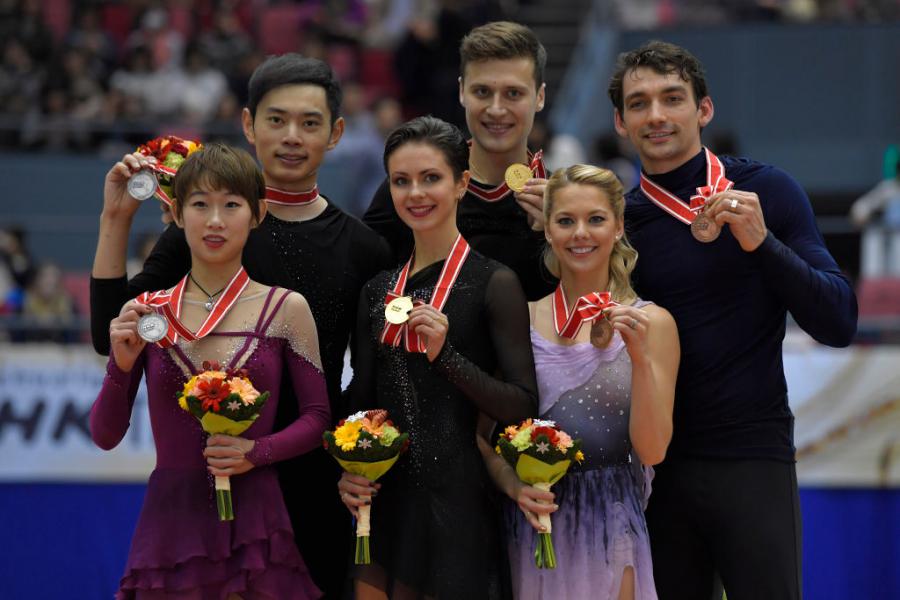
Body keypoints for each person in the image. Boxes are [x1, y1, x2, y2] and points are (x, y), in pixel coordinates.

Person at [90, 54, 392, 599]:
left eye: (309, 122)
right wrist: (115, 221)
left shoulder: (364, 247)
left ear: (336, 132)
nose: (292, 137)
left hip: (315, 480)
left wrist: (359, 458)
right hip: (194, 494)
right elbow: (112, 336)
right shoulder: (199, 233)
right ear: (249, 125)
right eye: (276, 120)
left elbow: (366, 378)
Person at [606, 41, 858, 599]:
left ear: (704, 109)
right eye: (640, 103)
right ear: (621, 122)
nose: (657, 116)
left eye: (672, 98)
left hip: (752, 458)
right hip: (655, 470)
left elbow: (838, 321)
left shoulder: (766, 192)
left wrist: (761, 243)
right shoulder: (616, 226)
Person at [90, 143, 331, 598]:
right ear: (177, 214)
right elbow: (104, 435)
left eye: (231, 205)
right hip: (171, 526)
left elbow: (317, 418)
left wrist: (255, 452)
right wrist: (120, 367)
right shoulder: (145, 314)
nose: (215, 220)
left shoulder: (286, 308)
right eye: (200, 204)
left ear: (257, 213)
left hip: (256, 523)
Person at [338, 116, 538, 599]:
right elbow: (362, 398)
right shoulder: (377, 290)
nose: (415, 193)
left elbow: (521, 405)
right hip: (384, 499)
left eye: (431, 178)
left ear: (462, 182)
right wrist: (346, 463)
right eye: (401, 181)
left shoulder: (495, 282)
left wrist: (445, 355)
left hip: (460, 503)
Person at [480, 165, 679, 600]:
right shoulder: (521, 320)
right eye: (566, 221)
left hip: (612, 520)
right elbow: (479, 435)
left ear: (619, 225)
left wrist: (640, 359)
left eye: (596, 219)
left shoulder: (653, 323)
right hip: (535, 521)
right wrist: (512, 485)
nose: (580, 234)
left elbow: (653, 450)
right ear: (547, 230)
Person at [363, 21, 557, 300]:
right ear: (462, 91)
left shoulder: (558, 204)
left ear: (539, 97)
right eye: (482, 92)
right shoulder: (415, 188)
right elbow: (367, 287)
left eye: (513, 93)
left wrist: (554, 238)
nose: (496, 109)